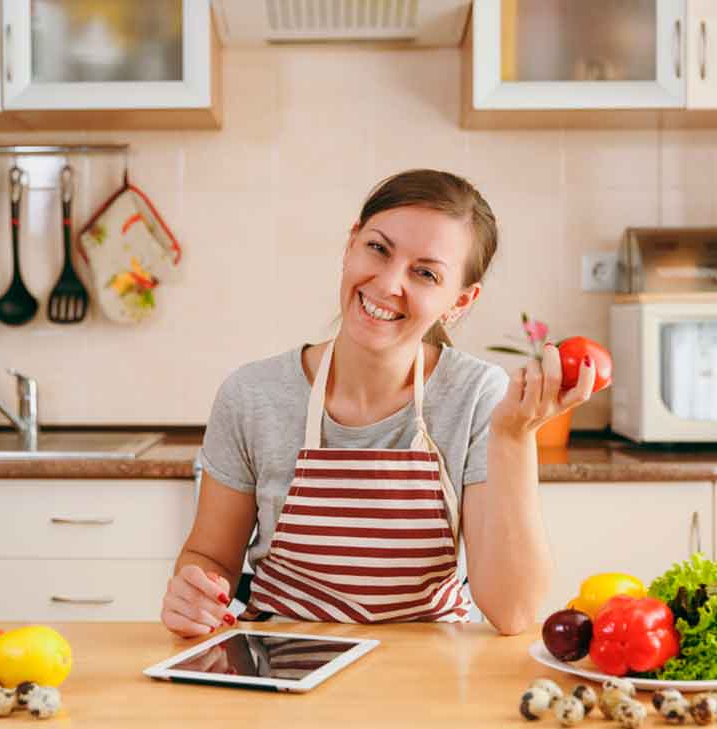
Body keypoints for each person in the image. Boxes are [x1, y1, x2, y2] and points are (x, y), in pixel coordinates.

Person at [160, 169, 598, 637]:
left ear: (461, 301)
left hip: (427, 671)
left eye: (425, 273)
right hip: (279, 660)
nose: (389, 283)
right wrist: (196, 594)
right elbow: (210, 557)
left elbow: (513, 613)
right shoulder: (251, 394)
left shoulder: (476, 396)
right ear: (350, 245)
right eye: (378, 248)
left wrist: (512, 436)